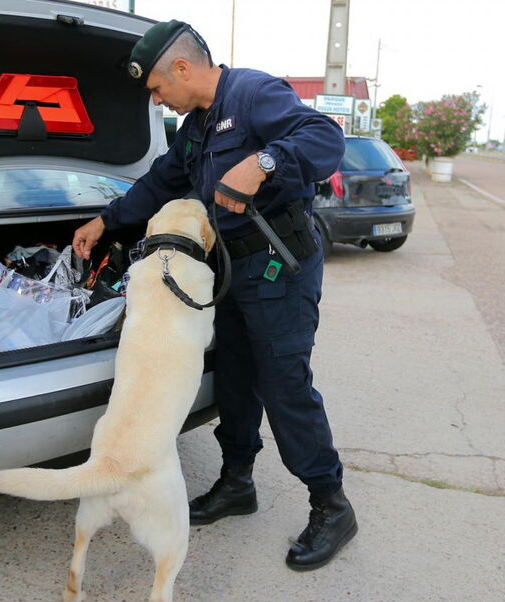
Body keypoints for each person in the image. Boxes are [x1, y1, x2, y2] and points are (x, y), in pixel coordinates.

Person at [72, 20, 357, 571]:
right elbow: (162, 180)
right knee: (233, 378)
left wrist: (264, 162)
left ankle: (331, 503)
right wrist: (105, 222)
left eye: (156, 88)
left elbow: (325, 138)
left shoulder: (251, 93)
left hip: (279, 267)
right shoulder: (197, 125)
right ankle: (237, 483)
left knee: (284, 386)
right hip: (232, 270)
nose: (157, 99)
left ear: (182, 68)